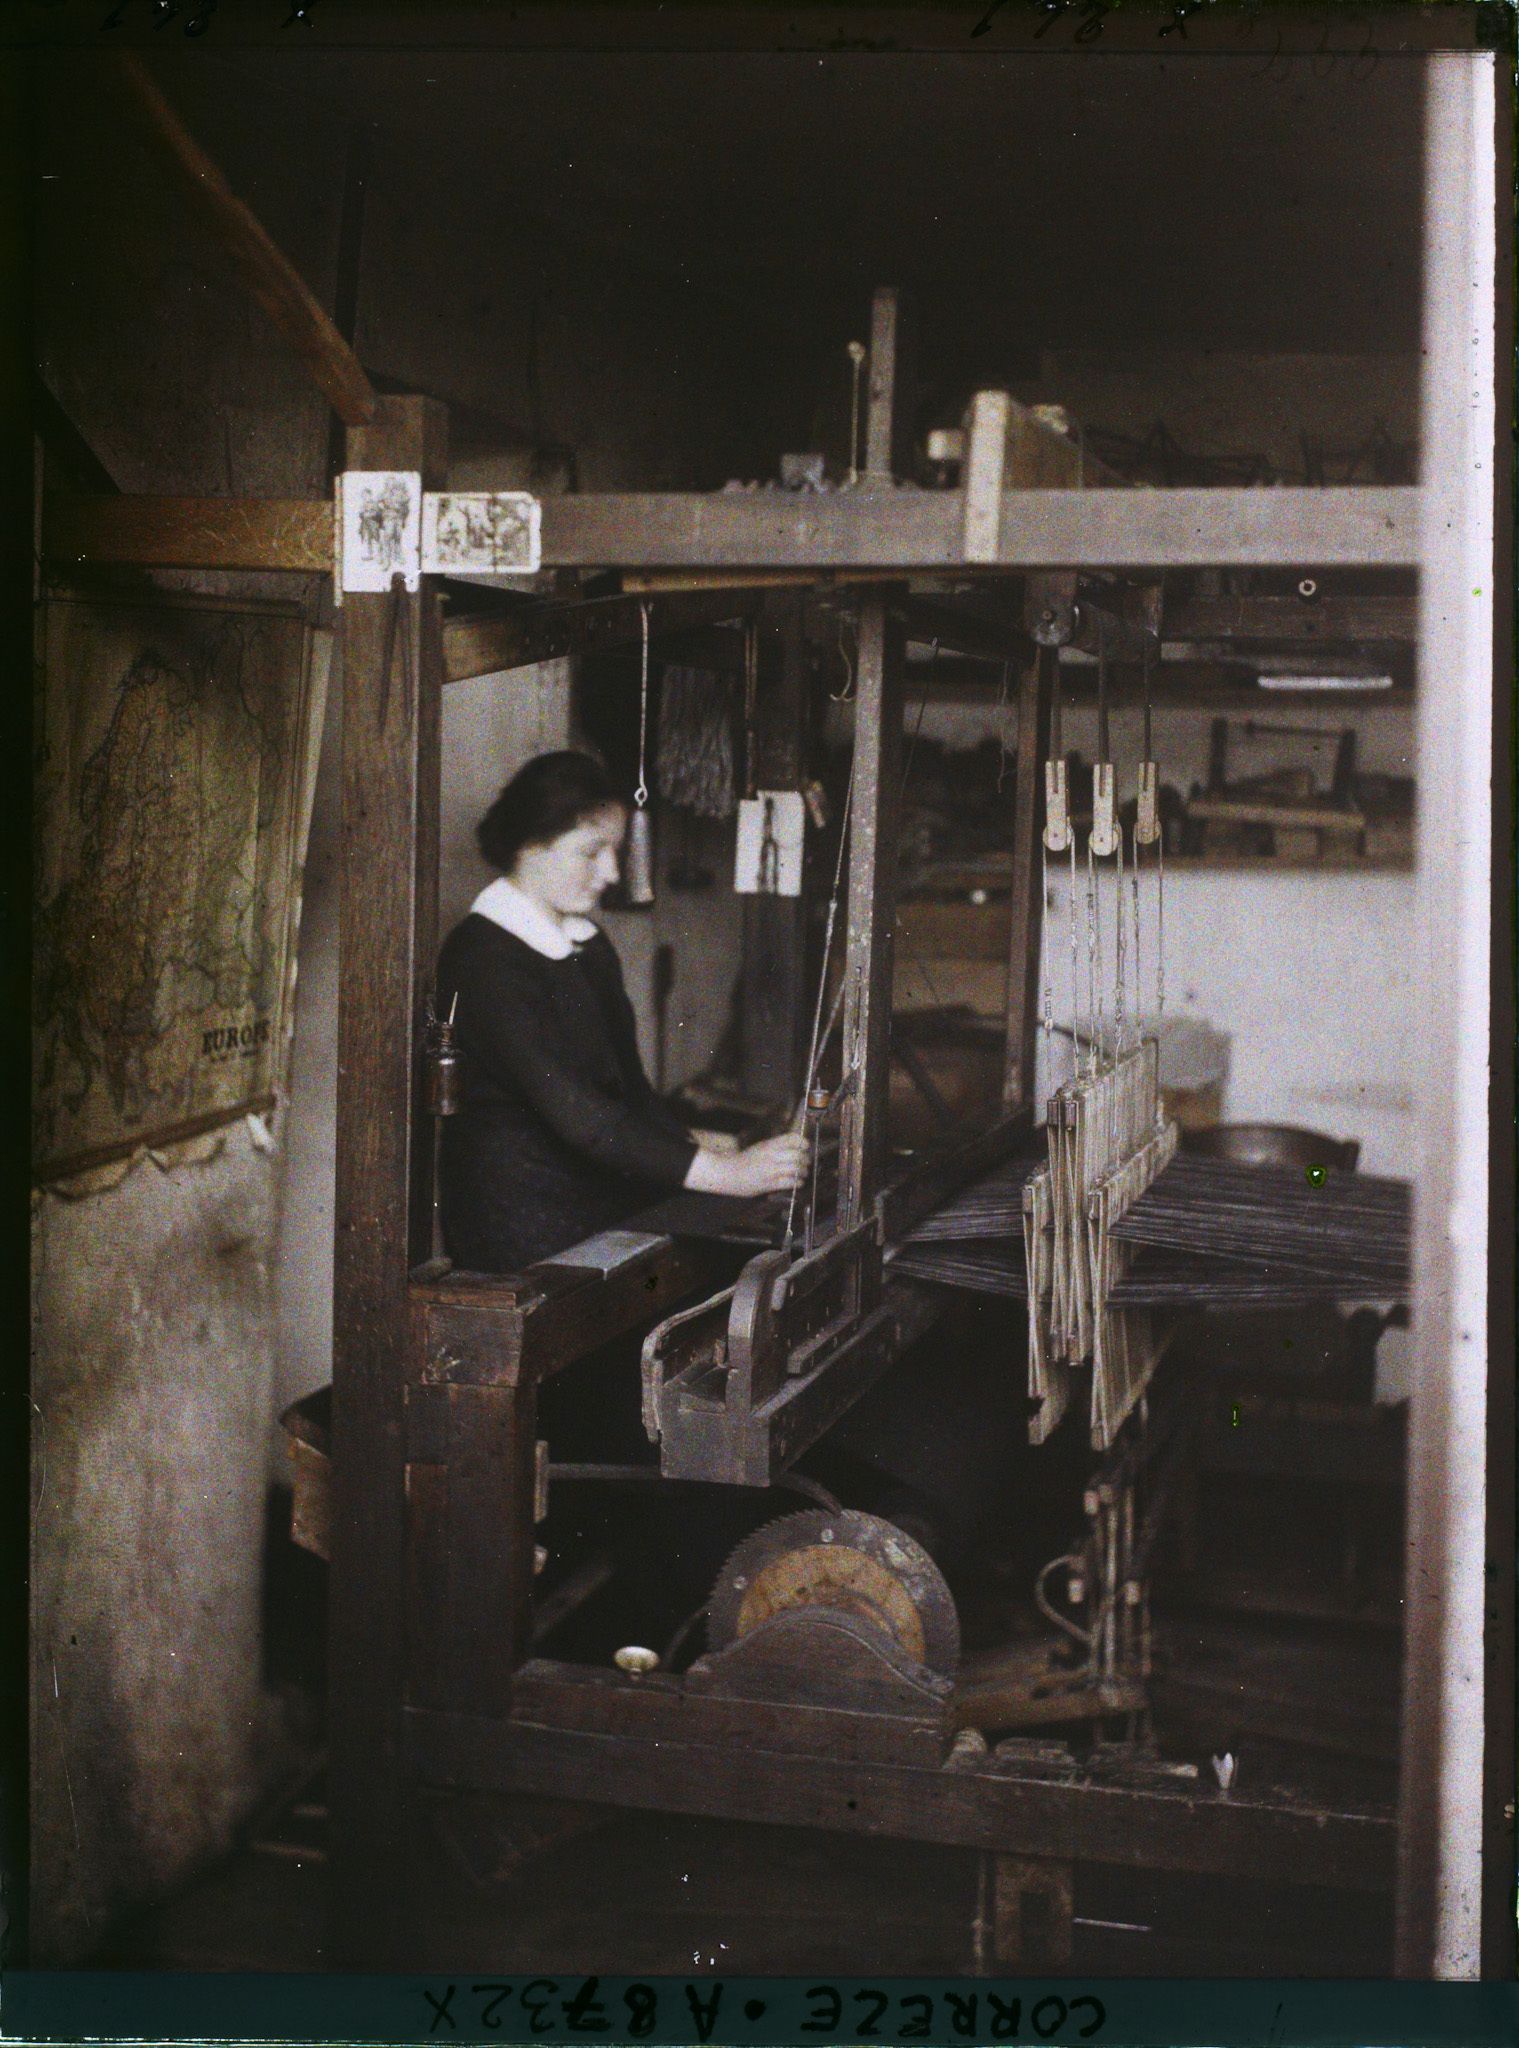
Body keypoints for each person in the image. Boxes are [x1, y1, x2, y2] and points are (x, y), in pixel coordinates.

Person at [437, 751, 809, 1273]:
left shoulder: (587, 944)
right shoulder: (482, 959)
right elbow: (582, 1116)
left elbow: (630, 1090)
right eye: (592, 852)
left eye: (614, 851)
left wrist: (708, 1149)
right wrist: (727, 1174)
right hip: (520, 1218)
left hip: (589, 1187)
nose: (612, 872)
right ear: (530, 847)